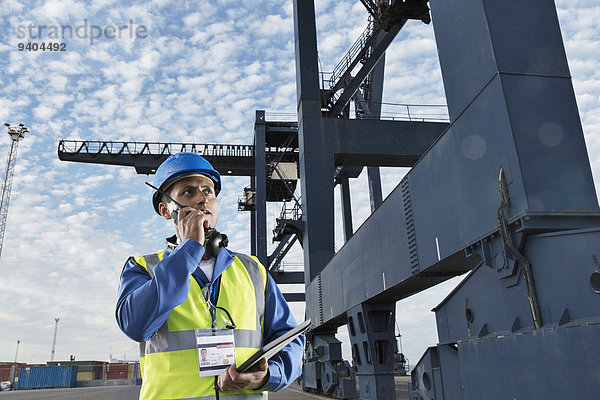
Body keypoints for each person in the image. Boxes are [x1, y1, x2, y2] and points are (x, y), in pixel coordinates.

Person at [115, 152, 304, 399]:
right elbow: (135, 325)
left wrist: (267, 376)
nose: (203, 199)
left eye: (208, 191)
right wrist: (189, 249)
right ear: (165, 210)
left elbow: (288, 340)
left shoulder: (253, 270)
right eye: (188, 192)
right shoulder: (142, 268)